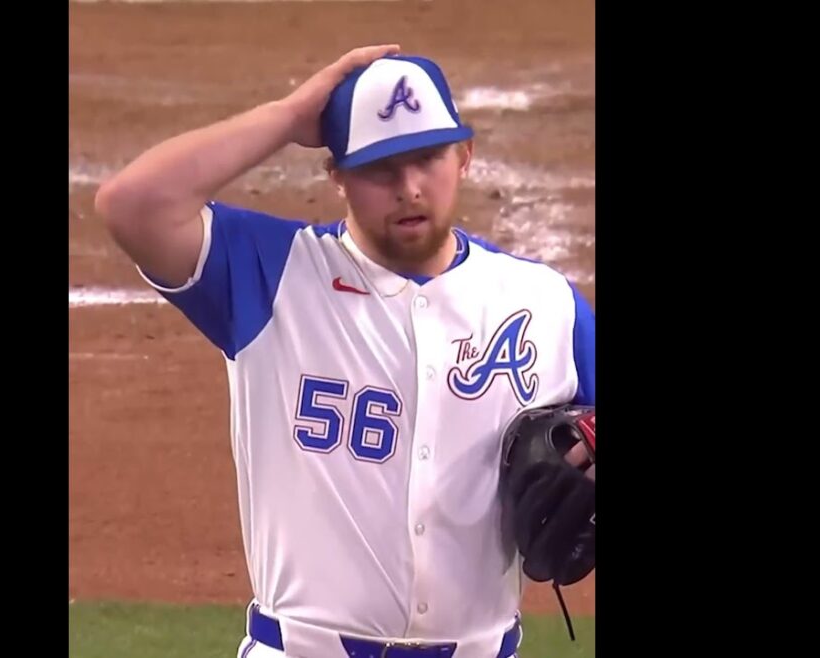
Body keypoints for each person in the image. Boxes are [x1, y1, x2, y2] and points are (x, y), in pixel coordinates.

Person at [95, 45, 595, 658]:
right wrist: (287, 116)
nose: (409, 188)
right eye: (381, 168)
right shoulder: (274, 274)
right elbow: (132, 205)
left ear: (464, 157)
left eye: (427, 158)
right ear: (338, 176)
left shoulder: (546, 305)